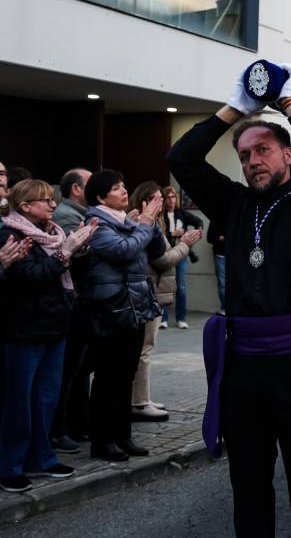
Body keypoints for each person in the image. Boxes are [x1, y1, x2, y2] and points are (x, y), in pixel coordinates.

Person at [166, 65, 291, 537]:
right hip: (245, 371)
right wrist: (236, 109)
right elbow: (181, 159)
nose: (252, 161)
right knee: (248, 485)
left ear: (286, 155)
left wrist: (290, 106)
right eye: (244, 155)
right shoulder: (235, 204)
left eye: (263, 150)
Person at [0, 180, 97, 492]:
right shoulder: (9, 233)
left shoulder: (54, 233)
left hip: (55, 327)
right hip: (23, 331)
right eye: (44, 201)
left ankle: (42, 458)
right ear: (25, 206)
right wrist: (65, 253)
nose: (52, 205)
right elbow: (31, 278)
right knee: (19, 402)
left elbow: (61, 274)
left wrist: (76, 250)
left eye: (52, 200)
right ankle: (10, 466)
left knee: (46, 400)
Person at [82, 170, 163, 461]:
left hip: (136, 307)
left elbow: (157, 251)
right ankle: (102, 441)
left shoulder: (129, 220)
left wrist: (150, 223)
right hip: (111, 309)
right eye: (116, 188)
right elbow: (124, 251)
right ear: (101, 197)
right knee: (108, 378)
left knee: (126, 377)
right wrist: (145, 224)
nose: (124, 191)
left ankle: (122, 437)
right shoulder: (96, 223)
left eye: (124, 186)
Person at [129, 181, 201, 424]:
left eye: (163, 198)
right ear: (144, 201)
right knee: (144, 350)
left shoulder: (152, 223)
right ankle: (139, 402)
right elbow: (162, 260)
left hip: (151, 292)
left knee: (145, 349)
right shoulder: (147, 225)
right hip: (149, 292)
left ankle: (143, 398)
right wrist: (186, 244)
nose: (162, 203)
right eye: (157, 199)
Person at [49, 168, 95, 456]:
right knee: (66, 372)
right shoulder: (68, 217)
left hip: (77, 303)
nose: (51, 205)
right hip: (69, 304)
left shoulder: (80, 215)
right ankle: (59, 429)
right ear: (77, 189)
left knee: (78, 369)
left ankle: (77, 423)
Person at [160, 186, 202, 329]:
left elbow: (198, 221)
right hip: (166, 254)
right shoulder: (161, 215)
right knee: (164, 286)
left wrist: (196, 232)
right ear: (164, 200)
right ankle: (163, 318)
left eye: (173, 196)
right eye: (168, 197)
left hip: (181, 254)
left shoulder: (181, 213)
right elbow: (158, 235)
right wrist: (174, 234)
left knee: (181, 287)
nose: (171, 200)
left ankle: (181, 318)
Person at [52, 169, 91, 234]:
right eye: (92, 184)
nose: (97, 188)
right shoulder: (65, 215)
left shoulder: (85, 211)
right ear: (76, 189)